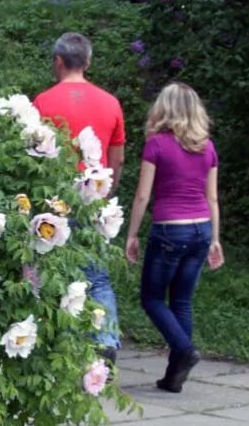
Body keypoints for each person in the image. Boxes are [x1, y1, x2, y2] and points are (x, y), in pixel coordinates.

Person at [124, 82, 224, 393]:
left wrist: (132, 234)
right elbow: (212, 198)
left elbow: (142, 196)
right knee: (181, 300)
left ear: (163, 109)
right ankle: (173, 376)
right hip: (200, 228)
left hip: (170, 228)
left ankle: (184, 349)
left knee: (152, 298)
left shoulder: (157, 145)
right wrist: (215, 238)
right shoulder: (207, 146)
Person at [33, 32, 126, 361]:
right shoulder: (111, 103)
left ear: (58, 61)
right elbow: (117, 158)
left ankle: (56, 348)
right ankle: (105, 341)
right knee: (97, 276)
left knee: (53, 273)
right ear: (87, 62)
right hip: (94, 197)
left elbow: (35, 153)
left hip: (55, 201)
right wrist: (106, 192)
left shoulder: (42, 102)